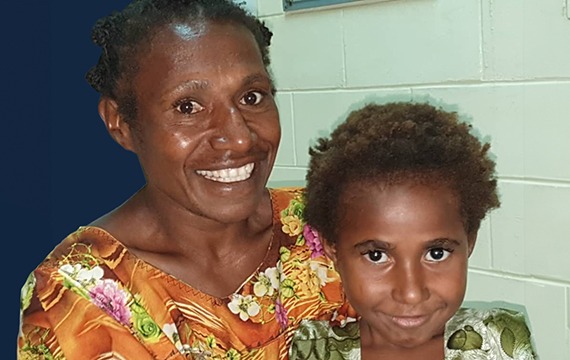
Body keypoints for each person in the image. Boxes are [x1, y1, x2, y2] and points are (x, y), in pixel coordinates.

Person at [18, 1, 347, 358]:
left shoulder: (330, 224)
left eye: (251, 97)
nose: (239, 138)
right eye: (187, 107)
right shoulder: (80, 294)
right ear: (120, 123)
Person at [289, 102, 538, 359]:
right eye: (376, 256)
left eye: (437, 253)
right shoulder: (316, 349)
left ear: (470, 240)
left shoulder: (499, 342)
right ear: (333, 249)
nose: (411, 293)